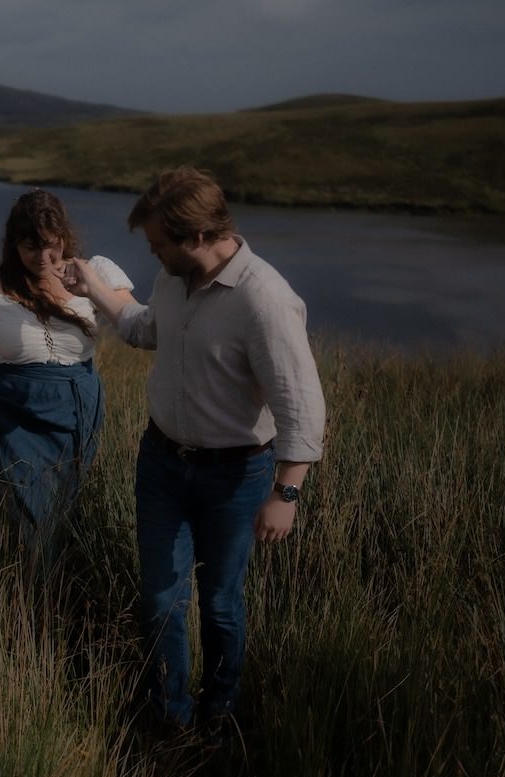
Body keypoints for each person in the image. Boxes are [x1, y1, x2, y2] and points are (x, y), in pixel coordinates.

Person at [65, 166, 326, 734]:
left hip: (235, 478)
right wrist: (94, 290)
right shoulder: (172, 281)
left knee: (221, 606)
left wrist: (287, 492)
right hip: (160, 465)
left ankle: (219, 715)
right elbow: (142, 330)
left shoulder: (265, 299)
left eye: (159, 243)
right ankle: (171, 718)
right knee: (160, 602)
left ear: (199, 237)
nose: (153, 253)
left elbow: (301, 406)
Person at [0, 189, 135, 543]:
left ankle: (51, 591)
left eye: (51, 245)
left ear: (64, 237)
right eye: (31, 247)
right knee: (18, 515)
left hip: (75, 409)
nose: (43, 257)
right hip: (8, 409)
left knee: (60, 510)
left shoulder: (96, 274)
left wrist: (92, 289)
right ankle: (14, 588)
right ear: (13, 243)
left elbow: (134, 322)